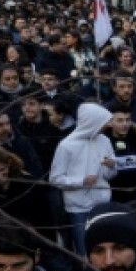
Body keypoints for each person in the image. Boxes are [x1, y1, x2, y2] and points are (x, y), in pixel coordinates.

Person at [49, 102, 117, 255]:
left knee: (106, 248)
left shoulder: (104, 141)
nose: (107, 126)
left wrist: (112, 166)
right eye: (103, 123)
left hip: (103, 204)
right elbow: (55, 179)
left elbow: (110, 176)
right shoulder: (66, 146)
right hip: (79, 208)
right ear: (92, 123)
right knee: (85, 250)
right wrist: (82, 181)